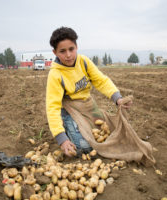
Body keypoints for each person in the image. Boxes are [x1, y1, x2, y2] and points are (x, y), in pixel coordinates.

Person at [46, 27, 132, 157]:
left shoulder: (84, 62)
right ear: (55, 52)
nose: (68, 55)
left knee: (109, 132)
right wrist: (61, 139)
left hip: (88, 105)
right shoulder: (55, 74)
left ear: (76, 46)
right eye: (62, 51)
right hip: (70, 111)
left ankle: (83, 126)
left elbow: (101, 81)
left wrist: (117, 98)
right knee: (83, 147)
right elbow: (52, 107)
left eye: (71, 49)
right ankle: (68, 129)